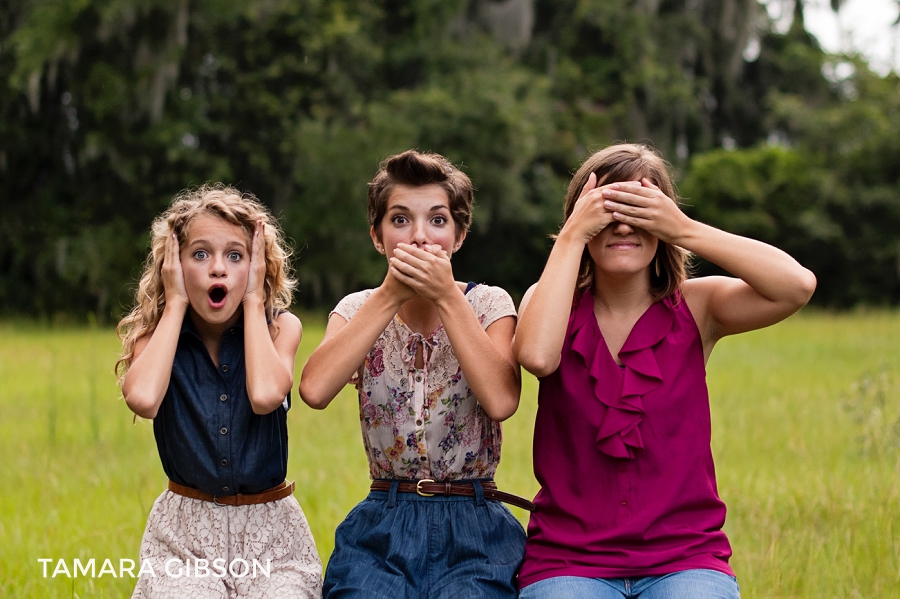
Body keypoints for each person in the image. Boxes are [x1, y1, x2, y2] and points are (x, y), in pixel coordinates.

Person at [512, 144, 817, 598]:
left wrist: (685, 228)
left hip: (685, 556)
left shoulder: (699, 306)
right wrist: (573, 236)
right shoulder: (549, 302)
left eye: (639, 209)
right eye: (607, 209)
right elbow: (537, 356)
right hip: (569, 558)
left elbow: (796, 286)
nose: (622, 224)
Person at [299, 150, 532, 598]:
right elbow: (314, 389)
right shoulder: (356, 308)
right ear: (377, 237)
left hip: (475, 523)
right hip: (383, 521)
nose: (420, 236)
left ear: (459, 236)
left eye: (438, 221)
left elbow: (502, 401)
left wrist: (447, 297)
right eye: (401, 220)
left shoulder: (490, 305)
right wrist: (388, 296)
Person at [116, 184, 322, 598]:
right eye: (200, 254)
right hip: (185, 537)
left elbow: (265, 395)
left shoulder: (281, 330)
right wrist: (174, 303)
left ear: (257, 266)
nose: (217, 269)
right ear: (174, 266)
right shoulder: (155, 340)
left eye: (235, 255)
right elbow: (142, 398)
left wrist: (251, 301)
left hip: (271, 537)